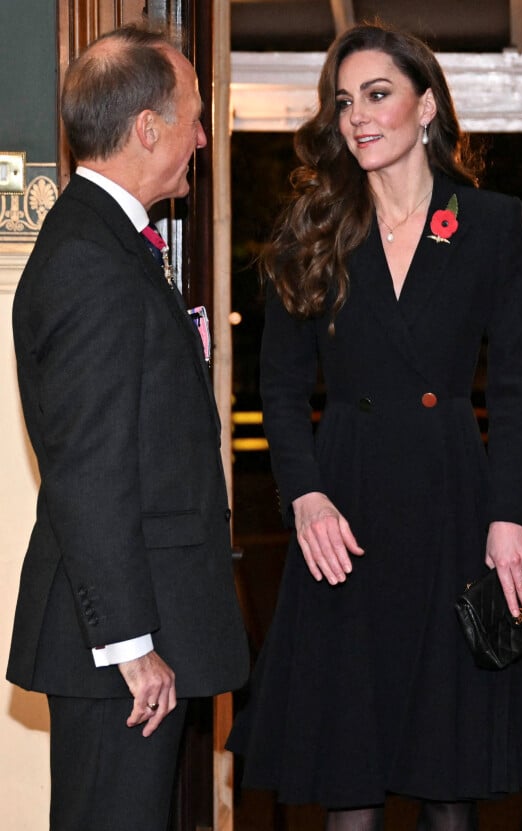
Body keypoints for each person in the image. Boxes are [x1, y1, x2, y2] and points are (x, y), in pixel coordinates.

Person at [227, 22, 522, 831]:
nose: (358, 116)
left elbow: (514, 385)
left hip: (453, 505)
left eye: (378, 94)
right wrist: (304, 496)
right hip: (348, 510)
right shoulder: (314, 228)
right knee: (351, 785)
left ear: (426, 105)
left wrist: (509, 515)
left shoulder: (490, 223)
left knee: (449, 785)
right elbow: (282, 384)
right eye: (344, 102)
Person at [6, 25, 249, 831]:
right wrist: (131, 647)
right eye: (193, 116)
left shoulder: (107, 240)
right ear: (147, 127)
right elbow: (90, 468)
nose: (202, 136)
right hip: (116, 648)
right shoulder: (90, 258)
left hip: (131, 635)